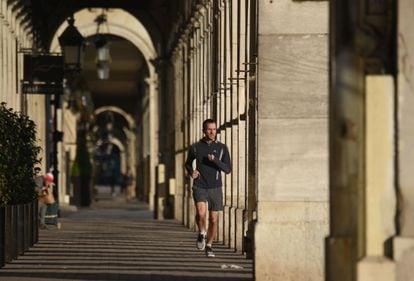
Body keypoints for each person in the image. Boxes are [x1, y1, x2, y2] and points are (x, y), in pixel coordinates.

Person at [185, 118, 231, 257]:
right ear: (204, 130)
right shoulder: (195, 147)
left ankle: (209, 245)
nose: (212, 132)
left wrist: (215, 160)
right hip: (200, 185)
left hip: (215, 187)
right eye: (209, 129)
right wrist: (191, 172)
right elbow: (188, 163)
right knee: (200, 213)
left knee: (214, 219)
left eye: (214, 129)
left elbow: (228, 169)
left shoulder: (222, 148)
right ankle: (201, 232)